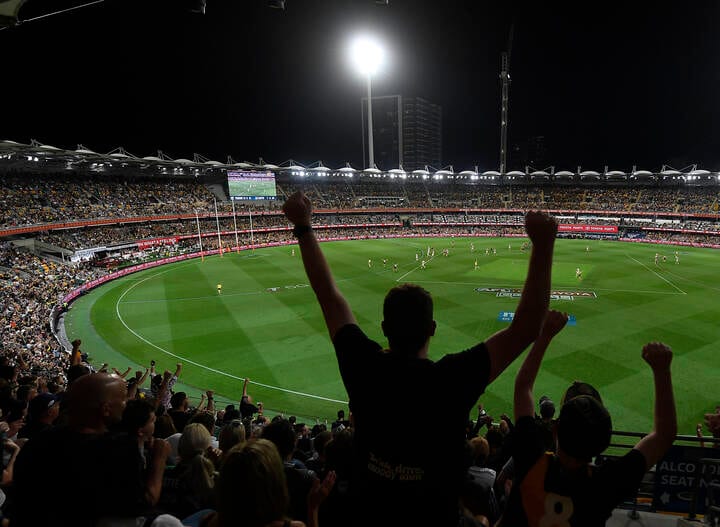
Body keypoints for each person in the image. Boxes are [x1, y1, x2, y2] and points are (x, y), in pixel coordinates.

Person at [282, 190, 558, 527]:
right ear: (432, 328)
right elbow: (527, 328)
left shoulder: (364, 367)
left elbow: (328, 296)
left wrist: (304, 226)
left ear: (383, 328)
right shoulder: (451, 379)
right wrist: (543, 244)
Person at [496, 311, 677, 527]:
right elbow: (664, 436)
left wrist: (545, 335)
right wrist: (662, 371)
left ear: (555, 428)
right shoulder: (607, 484)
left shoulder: (532, 461)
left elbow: (523, 386)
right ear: (603, 443)